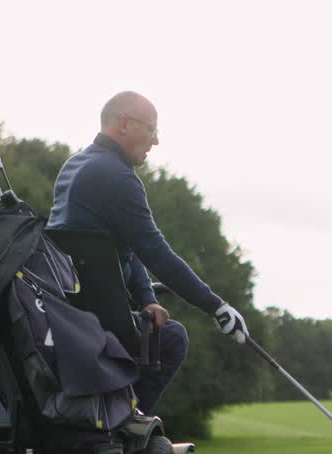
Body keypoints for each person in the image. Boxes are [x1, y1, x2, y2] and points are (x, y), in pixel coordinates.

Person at [47, 91, 249, 415]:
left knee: (158, 327)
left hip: (66, 313)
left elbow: (126, 248)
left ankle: (111, 416)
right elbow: (156, 253)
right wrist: (217, 307)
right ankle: (125, 422)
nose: (155, 141)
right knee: (173, 338)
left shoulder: (76, 165)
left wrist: (146, 299)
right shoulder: (118, 177)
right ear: (124, 124)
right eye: (152, 129)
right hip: (101, 320)